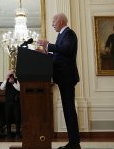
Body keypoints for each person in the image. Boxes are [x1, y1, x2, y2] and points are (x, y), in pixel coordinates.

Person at [38, 13, 81, 149]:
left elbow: (66, 50)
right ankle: (73, 143)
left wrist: (48, 45)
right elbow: (59, 54)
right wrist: (47, 53)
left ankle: (74, 144)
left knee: (69, 110)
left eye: (54, 21)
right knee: (68, 110)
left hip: (67, 77)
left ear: (61, 21)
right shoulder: (61, 35)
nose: (52, 24)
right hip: (63, 77)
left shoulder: (69, 34)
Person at [0, 70, 21, 139]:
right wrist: (6, 79)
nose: (10, 76)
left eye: (11, 75)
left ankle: (17, 134)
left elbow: (19, 89)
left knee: (17, 118)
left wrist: (13, 83)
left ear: (14, 75)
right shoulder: (6, 81)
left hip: (16, 102)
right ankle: (8, 134)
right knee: (8, 118)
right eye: (9, 75)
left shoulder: (17, 80)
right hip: (8, 102)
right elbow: (1, 88)